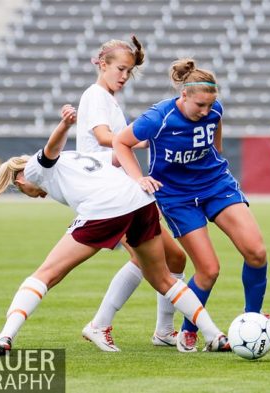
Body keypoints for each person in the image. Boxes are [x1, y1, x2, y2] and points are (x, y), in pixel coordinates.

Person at [0, 104, 230, 355]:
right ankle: (214, 335)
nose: (35, 195)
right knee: (163, 279)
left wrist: (64, 125)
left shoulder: (33, 170)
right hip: (140, 200)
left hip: (107, 207)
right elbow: (118, 154)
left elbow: (49, 151)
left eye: (25, 192)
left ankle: (4, 336)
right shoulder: (78, 157)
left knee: (45, 275)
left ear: (21, 180)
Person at [113, 58, 268, 353]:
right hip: (177, 197)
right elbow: (121, 142)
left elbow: (216, 142)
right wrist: (139, 179)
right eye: (200, 105)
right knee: (208, 270)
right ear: (183, 95)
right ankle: (189, 332)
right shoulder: (158, 117)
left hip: (216, 185)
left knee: (257, 253)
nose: (206, 111)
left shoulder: (214, 111)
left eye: (210, 105)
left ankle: (255, 321)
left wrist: (208, 145)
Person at [76, 35, 186, 351]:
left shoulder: (109, 99)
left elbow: (122, 139)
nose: (124, 77)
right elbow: (104, 136)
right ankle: (99, 324)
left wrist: (154, 137)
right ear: (101, 64)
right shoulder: (96, 95)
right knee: (145, 259)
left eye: (128, 72)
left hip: (123, 193)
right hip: (108, 194)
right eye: (120, 69)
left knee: (175, 257)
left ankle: (164, 331)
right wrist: (139, 136)